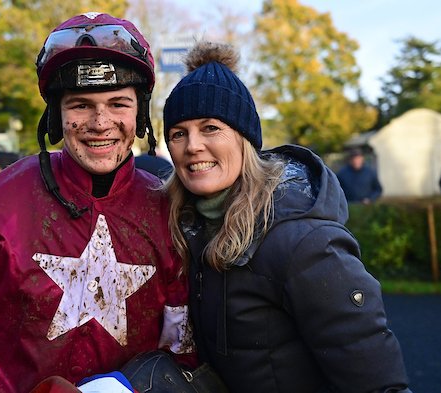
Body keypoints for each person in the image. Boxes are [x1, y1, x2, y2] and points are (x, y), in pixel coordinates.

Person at [0, 13, 194, 393]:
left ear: (140, 114)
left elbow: (183, 347)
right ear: (55, 116)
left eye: (118, 104)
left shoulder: (169, 209)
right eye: (80, 104)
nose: (100, 122)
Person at [162, 41, 411, 393]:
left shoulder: (304, 242)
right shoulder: (189, 229)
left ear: (244, 138)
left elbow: (377, 383)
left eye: (210, 128)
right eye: (178, 133)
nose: (192, 146)